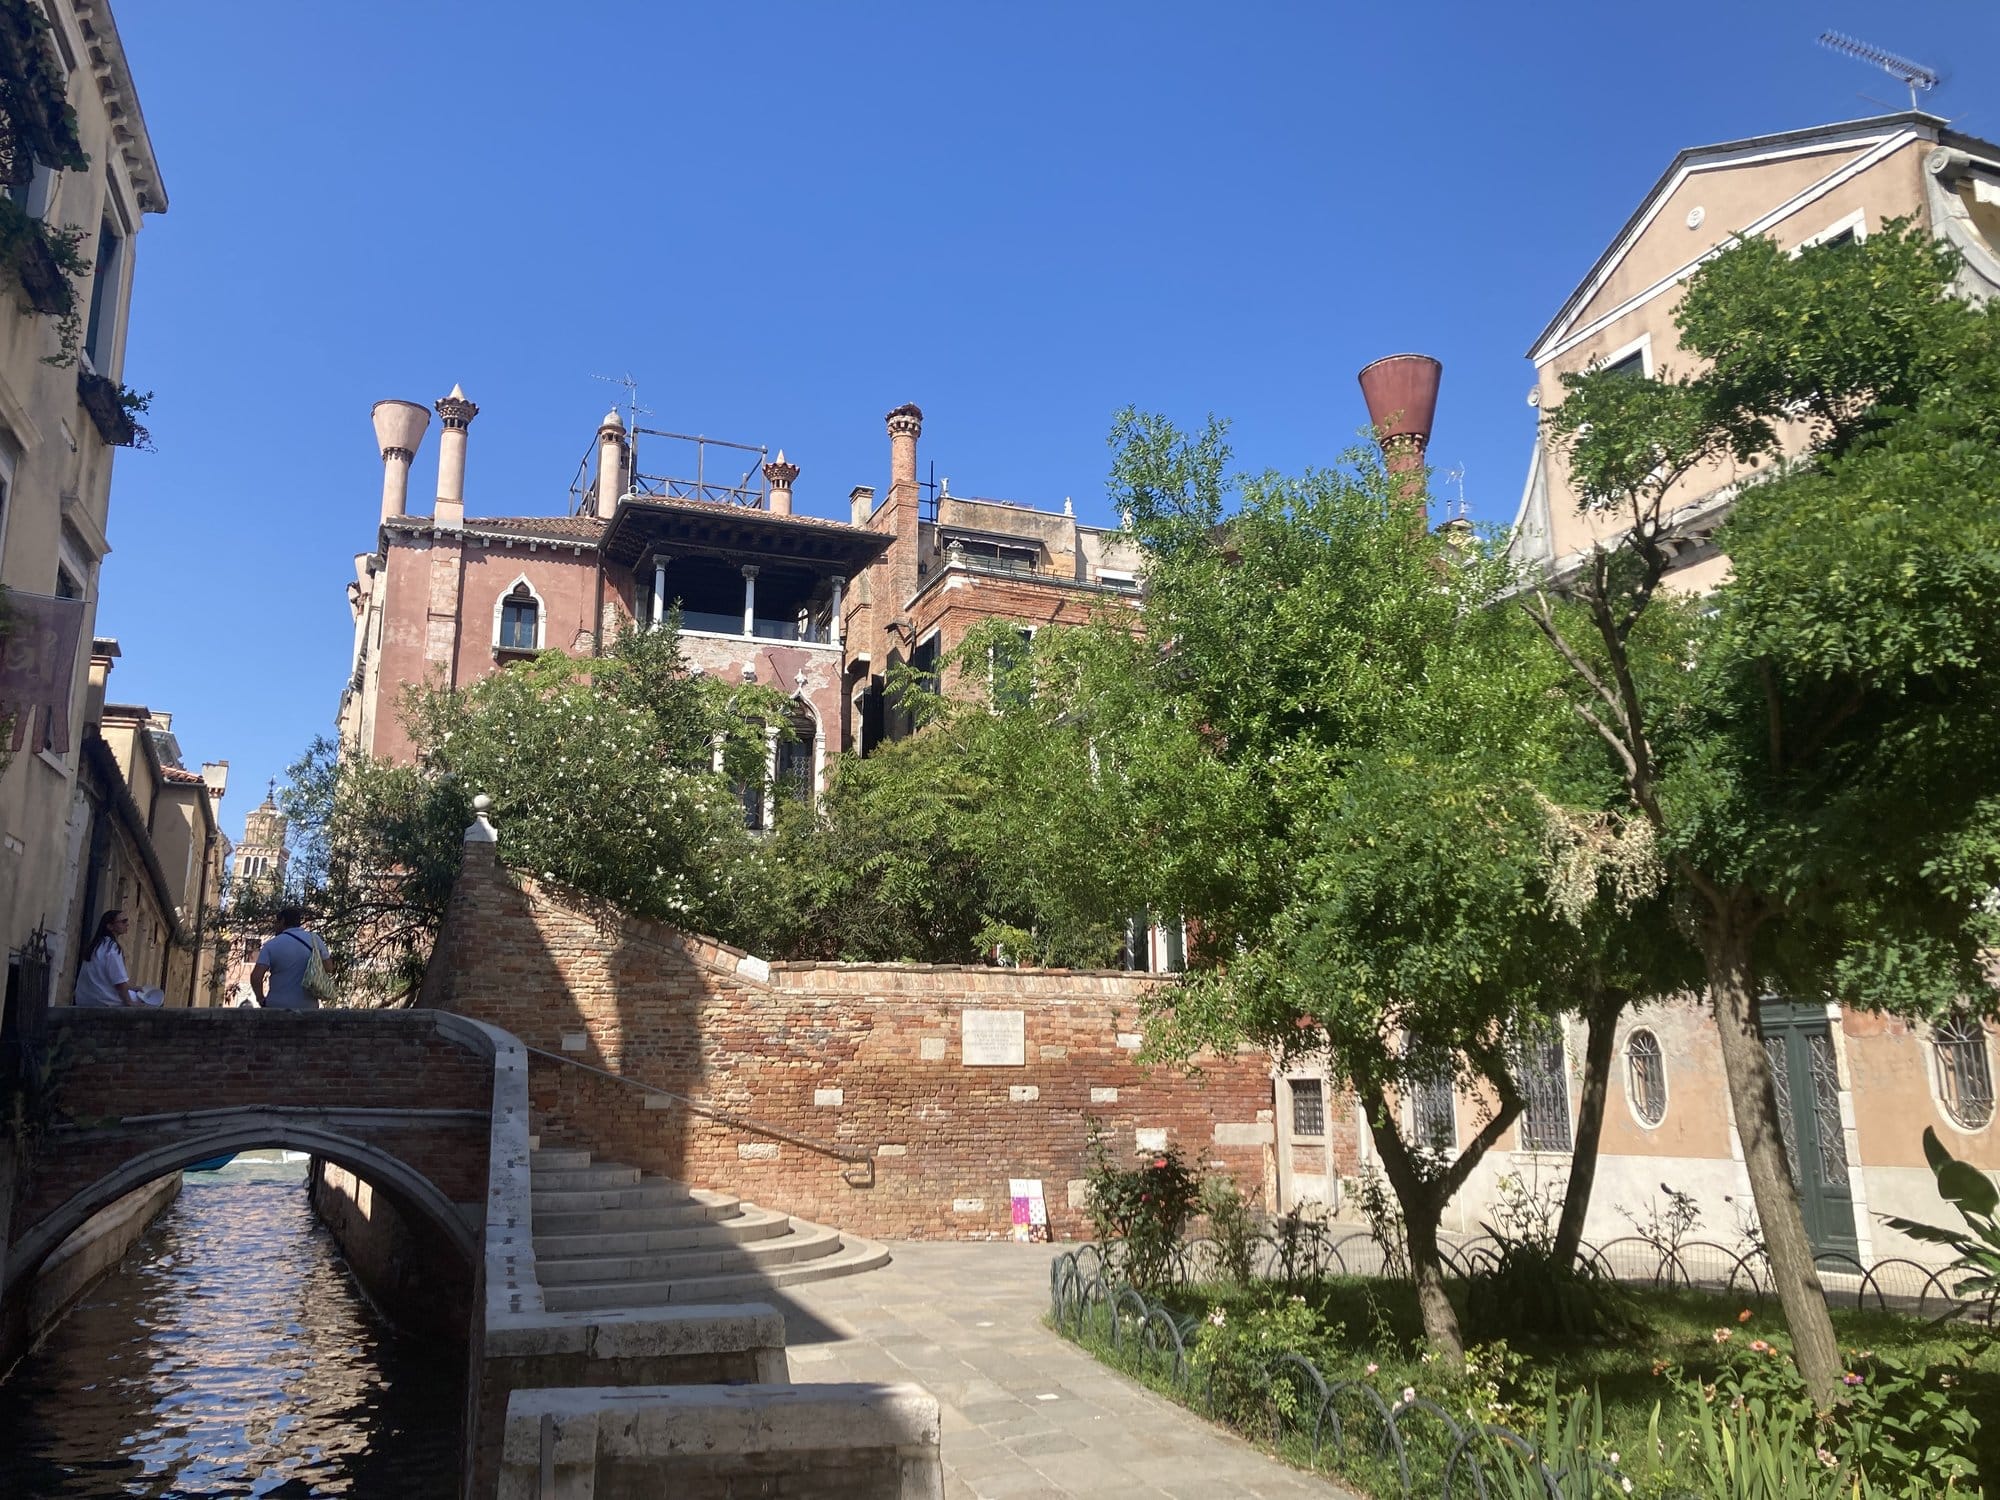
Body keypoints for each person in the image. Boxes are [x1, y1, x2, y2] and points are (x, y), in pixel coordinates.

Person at [251, 905, 329, 1011]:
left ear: (282, 921)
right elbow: (329, 967)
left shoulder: (271, 944)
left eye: (276, 923)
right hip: (308, 1006)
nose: (275, 926)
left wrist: (260, 999)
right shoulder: (315, 940)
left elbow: (256, 977)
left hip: (276, 1006)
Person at [75, 909, 138, 1007]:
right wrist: (130, 1002)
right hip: (103, 1000)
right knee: (146, 1000)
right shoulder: (112, 948)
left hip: (84, 999)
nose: (127, 924)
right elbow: (119, 982)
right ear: (110, 926)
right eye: (123, 921)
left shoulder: (95, 946)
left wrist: (133, 988)